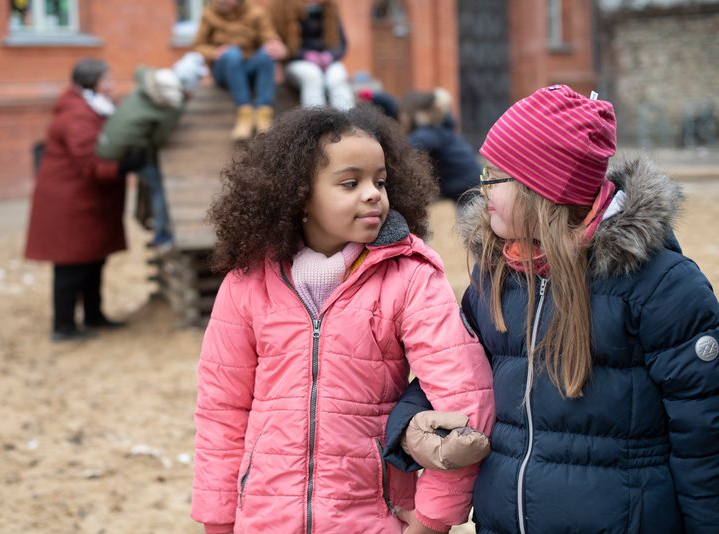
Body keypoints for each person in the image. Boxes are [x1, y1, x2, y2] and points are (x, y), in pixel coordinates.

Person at [384, 85, 719, 533]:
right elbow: (451, 369)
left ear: (543, 189)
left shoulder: (661, 286)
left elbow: (704, 438)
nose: (482, 188)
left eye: (496, 175)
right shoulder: (496, 276)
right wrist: (408, 425)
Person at [190, 106, 495, 533]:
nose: (372, 194)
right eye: (350, 183)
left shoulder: (411, 278)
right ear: (298, 195)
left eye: (380, 181)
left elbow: (466, 404)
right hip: (265, 518)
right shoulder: (247, 283)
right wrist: (218, 519)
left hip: (373, 518)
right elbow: (222, 411)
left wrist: (432, 519)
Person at [25, 58, 139, 342]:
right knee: (70, 265)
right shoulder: (77, 116)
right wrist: (123, 167)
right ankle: (63, 326)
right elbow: (89, 163)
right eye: (107, 79)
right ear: (94, 82)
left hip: (85, 200)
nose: (111, 84)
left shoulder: (91, 109)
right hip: (70, 203)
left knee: (93, 260)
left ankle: (93, 315)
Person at [96, 53, 208, 251]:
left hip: (108, 141)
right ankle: (162, 234)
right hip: (126, 150)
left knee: (150, 173)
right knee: (160, 184)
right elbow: (160, 138)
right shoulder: (173, 104)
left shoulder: (152, 80)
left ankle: (155, 226)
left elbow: (139, 70)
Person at [193, 0, 287, 141]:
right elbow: (198, 45)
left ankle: (263, 113)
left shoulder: (256, 13)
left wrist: (276, 46)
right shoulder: (209, 15)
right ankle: (244, 113)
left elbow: (269, 37)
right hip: (224, 70)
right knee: (232, 53)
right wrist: (214, 52)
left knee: (267, 53)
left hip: (249, 68)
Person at [269, 0, 355, 111]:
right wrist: (305, 55)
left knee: (338, 76)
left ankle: (348, 119)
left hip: (327, 61)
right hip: (297, 62)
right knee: (312, 75)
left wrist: (330, 56)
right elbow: (282, 47)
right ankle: (316, 122)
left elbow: (342, 44)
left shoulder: (330, 10)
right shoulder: (285, 9)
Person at [399, 88, 480, 204]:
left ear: (412, 114)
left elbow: (403, 151)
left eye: (404, 113)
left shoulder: (427, 134)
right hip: (469, 187)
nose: (401, 118)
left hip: (468, 191)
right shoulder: (439, 130)